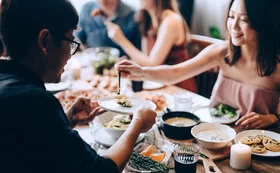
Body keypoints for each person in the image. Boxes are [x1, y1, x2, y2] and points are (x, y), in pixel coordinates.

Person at [0, 0, 156, 173]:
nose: (70, 55)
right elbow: (100, 171)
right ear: (45, 41)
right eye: (70, 42)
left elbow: (31, 141)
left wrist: (67, 121)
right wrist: (137, 124)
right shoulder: (35, 102)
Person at [115, 0, 280, 130]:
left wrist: (273, 118)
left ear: (263, 22)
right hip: (213, 133)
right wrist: (141, 71)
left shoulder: (277, 65)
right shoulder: (222, 52)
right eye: (231, 16)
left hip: (259, 148)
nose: (234, 26)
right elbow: (175, 73)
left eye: (244, 19)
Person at [105, 0, 197, 92]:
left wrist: (121, 40)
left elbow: (152, 64)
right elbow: (145, 60)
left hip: (178, 88)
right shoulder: (148, 19)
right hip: (157, 85)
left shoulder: (171, 20)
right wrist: (127, 63)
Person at [76, 0, 141, 56]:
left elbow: (139, 53)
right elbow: (78, 41)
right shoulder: (87, 10)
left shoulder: (133, 16)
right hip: (93, 63)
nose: (103, 1)